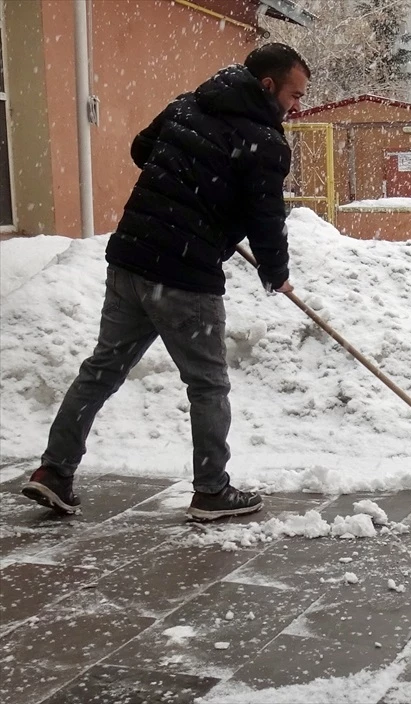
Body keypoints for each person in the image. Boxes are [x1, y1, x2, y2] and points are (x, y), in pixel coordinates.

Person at [20, 44, 310, 521]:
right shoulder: (265, 142)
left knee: (101, 370)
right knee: (208, 385)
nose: (296, 106)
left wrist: (189, 181)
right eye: (293, 95)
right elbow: (266, 218)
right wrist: (275, 273)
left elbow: (141, 150)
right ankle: (212, 491)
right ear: (267, 86)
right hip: (184, 277)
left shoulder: (187, 105)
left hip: (130, 261)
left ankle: (54, 471)